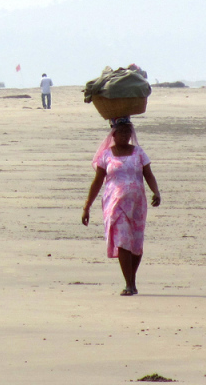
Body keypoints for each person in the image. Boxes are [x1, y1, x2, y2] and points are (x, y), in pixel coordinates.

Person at [81, 117, 161, 295]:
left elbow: (148, 174)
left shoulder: (138, 152)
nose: (125, 136)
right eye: (121, 132)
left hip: (137, 204)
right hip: (114, 204)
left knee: (136, 244)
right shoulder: (106, 155)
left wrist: (156, 192)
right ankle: (129, 284)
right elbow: (97, 182)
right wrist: (87, 207)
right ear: (114, 134)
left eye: (128, 132)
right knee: (123, 241)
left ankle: (131, 280)